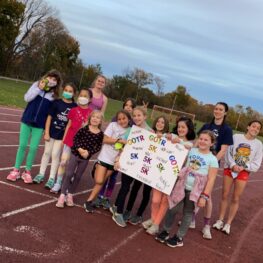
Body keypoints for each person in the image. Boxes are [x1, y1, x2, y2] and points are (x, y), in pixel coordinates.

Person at [155, 130, 218, 248]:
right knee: (172, 208)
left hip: (195, 191)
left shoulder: (212, 159)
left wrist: (204, 196)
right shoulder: (191, 151)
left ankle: (179, 237)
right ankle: (165, 230)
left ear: (212, 143)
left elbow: (211, 180)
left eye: (206, 140)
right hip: (182, 186)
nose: (202, 141)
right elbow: (178, 145)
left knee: (188, 213)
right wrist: (164, 136)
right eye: (201, 139)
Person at [7, 69, 62, 183]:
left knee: (33, 148)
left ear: (57, 83)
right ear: (46, 77)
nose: (51, 81)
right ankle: (16, 170)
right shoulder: (36, 85)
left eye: (54, 80)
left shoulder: (54, 96)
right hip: (27, 121)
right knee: (22, 145)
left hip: (39, 125)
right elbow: (27, 98)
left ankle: (27, 171)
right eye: (50, 78)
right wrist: (39, 89)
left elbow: (50, 114)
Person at [143, 116, 195, 235]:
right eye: (179, 127)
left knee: (164, 201)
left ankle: (156, 225)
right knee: (155, 200)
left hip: (174, 177)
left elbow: (188, 147)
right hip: (160, 172)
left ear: (189, 129)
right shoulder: (171, 136)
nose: (180, 129)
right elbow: (159, 139)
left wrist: (180, 142)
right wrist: (155, 134)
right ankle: (153, 218)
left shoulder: (190, 144)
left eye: (183, 127)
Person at [213, 120, 263, 235]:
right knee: (225, 195)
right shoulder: (236, 137)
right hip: (230, 169)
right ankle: (220, 220)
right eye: (253, 126)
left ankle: (228, 224)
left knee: (236, 198)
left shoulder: (259, 145)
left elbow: (256, 164)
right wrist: (232, 165)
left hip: (243, 172)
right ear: (248, 126)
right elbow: (228, 152)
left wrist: (244, 166)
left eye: (258, 128)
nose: (255, 129)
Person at [110, 106, 152, 227]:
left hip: (140, 166)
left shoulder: (151, 132)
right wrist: (118, 157)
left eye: (139, 115)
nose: (136, 118)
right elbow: (119, 144)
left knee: (132, 188)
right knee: (125, 187)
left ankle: (117, 206)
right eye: (134, 115)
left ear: (145, 116)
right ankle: (118, 213)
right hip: (128, 163)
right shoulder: (130, 130)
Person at [197, 102, 233, 239]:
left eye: (220, 109)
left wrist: (210, 162)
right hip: (197, 163)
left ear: (225, 113)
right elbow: (197, 142)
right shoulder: (207, 126)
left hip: (210, 166)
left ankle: (206, 226)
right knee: (193, 191)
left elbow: (223, 150)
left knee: (207, 196)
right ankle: (192, 220)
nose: (217, 111)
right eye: (216, 109)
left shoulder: (227, 130)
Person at [126, 116, 170, 226]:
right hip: (142, 166)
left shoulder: (168, 138)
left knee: (146, 192)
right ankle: (128, 210)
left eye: (162, 122)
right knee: (135, 188)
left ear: (166, 125)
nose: (160, 124)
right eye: (158, 121)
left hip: (154, 170)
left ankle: (139, 215)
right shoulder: (148, 132)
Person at [83, 110, 131, 213]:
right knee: (99, 181)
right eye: (119, 119)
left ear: (128, 119)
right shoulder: (113, 125)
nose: (122, 121)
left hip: (114, 162)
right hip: (104, 157)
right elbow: (104, 139)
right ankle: (95, 167)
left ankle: (89, 201)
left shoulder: (131, 131)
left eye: (124, 118)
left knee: (102, 182)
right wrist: (118, 141)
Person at [32, 83, 77, 189]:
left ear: (74, 93)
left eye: (70, 91)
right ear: (63, 90)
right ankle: (41, 174)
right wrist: (46, 132)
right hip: (51, 132)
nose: (67, 93)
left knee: (55, 154)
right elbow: (49, 118)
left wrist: (66, 138)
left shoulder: (74, 107)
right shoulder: (56, 102)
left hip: (62, 135)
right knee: (47, 152)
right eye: (66, 90)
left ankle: (52, 178)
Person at [95, 98, 137, 209]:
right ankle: (99, 196)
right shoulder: (115, 120)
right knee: (103, 176)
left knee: (113, 177)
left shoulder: (133, 124)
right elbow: (107, 137)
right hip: (109, 154)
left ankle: (107, 198)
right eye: (126, 105)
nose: (128, 107)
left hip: (120, 156)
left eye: (131, 106)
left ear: (133, 109)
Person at [56, 111, 104, 208]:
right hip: (75, 154)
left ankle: (70, 194)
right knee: (69, 174)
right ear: (90, 118)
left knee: (78, 176)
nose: (95, 119)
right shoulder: (84, 129)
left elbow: (98, 147)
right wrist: (80, 149)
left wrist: (89, 153)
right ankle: (62, 195)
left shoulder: (100, 134)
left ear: (100, 121)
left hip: (85, 159)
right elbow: (75, 139)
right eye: (93, 117)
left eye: (98, 117)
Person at [50, 89, 93, 193]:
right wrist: (64, 140)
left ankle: (69, 182)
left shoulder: (91, 113)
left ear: (90, 99)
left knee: (74, 165)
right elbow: (68, 125)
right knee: (63, 162)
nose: (83, 97)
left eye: (85, 96)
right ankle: (58, 183)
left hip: (81, 144)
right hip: (69, 140)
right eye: (81, 95)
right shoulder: (73, 110)